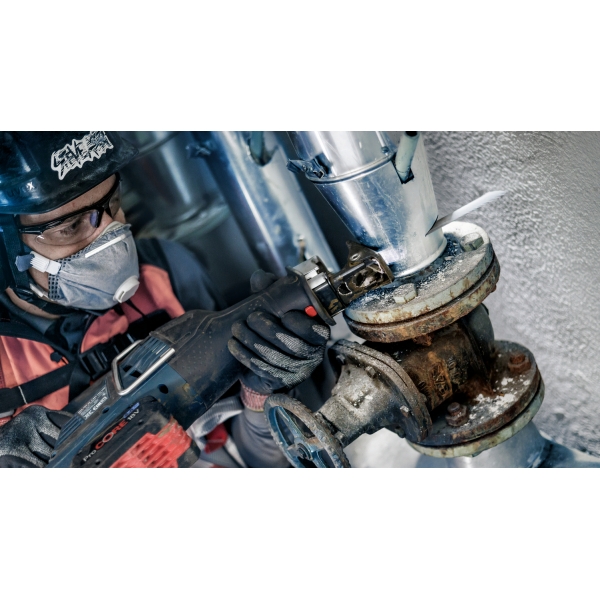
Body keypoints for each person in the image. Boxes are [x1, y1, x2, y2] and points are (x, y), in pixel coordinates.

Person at [0, 131, 330, 468]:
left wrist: (261, 398)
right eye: (70, 227)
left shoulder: (166, 270)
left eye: (112, 202)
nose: (111, 238)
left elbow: (248, 459)